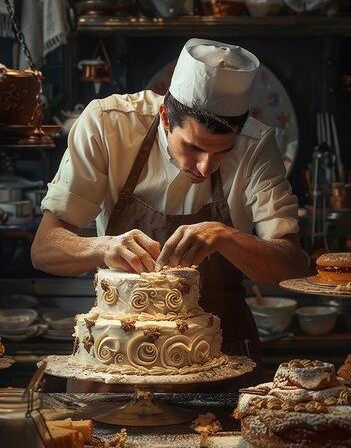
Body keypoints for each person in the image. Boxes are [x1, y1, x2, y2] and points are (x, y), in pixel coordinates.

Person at [31, 38, 307, 372]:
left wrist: (225, 235)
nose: (206, 168)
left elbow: (292, 268)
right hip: (119, 355)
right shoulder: (108, 125)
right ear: (164, 115)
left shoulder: (255, 145)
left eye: (223, 151)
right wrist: (103, 246)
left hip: (223, 351)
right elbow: (44, 248)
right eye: (193, 147)